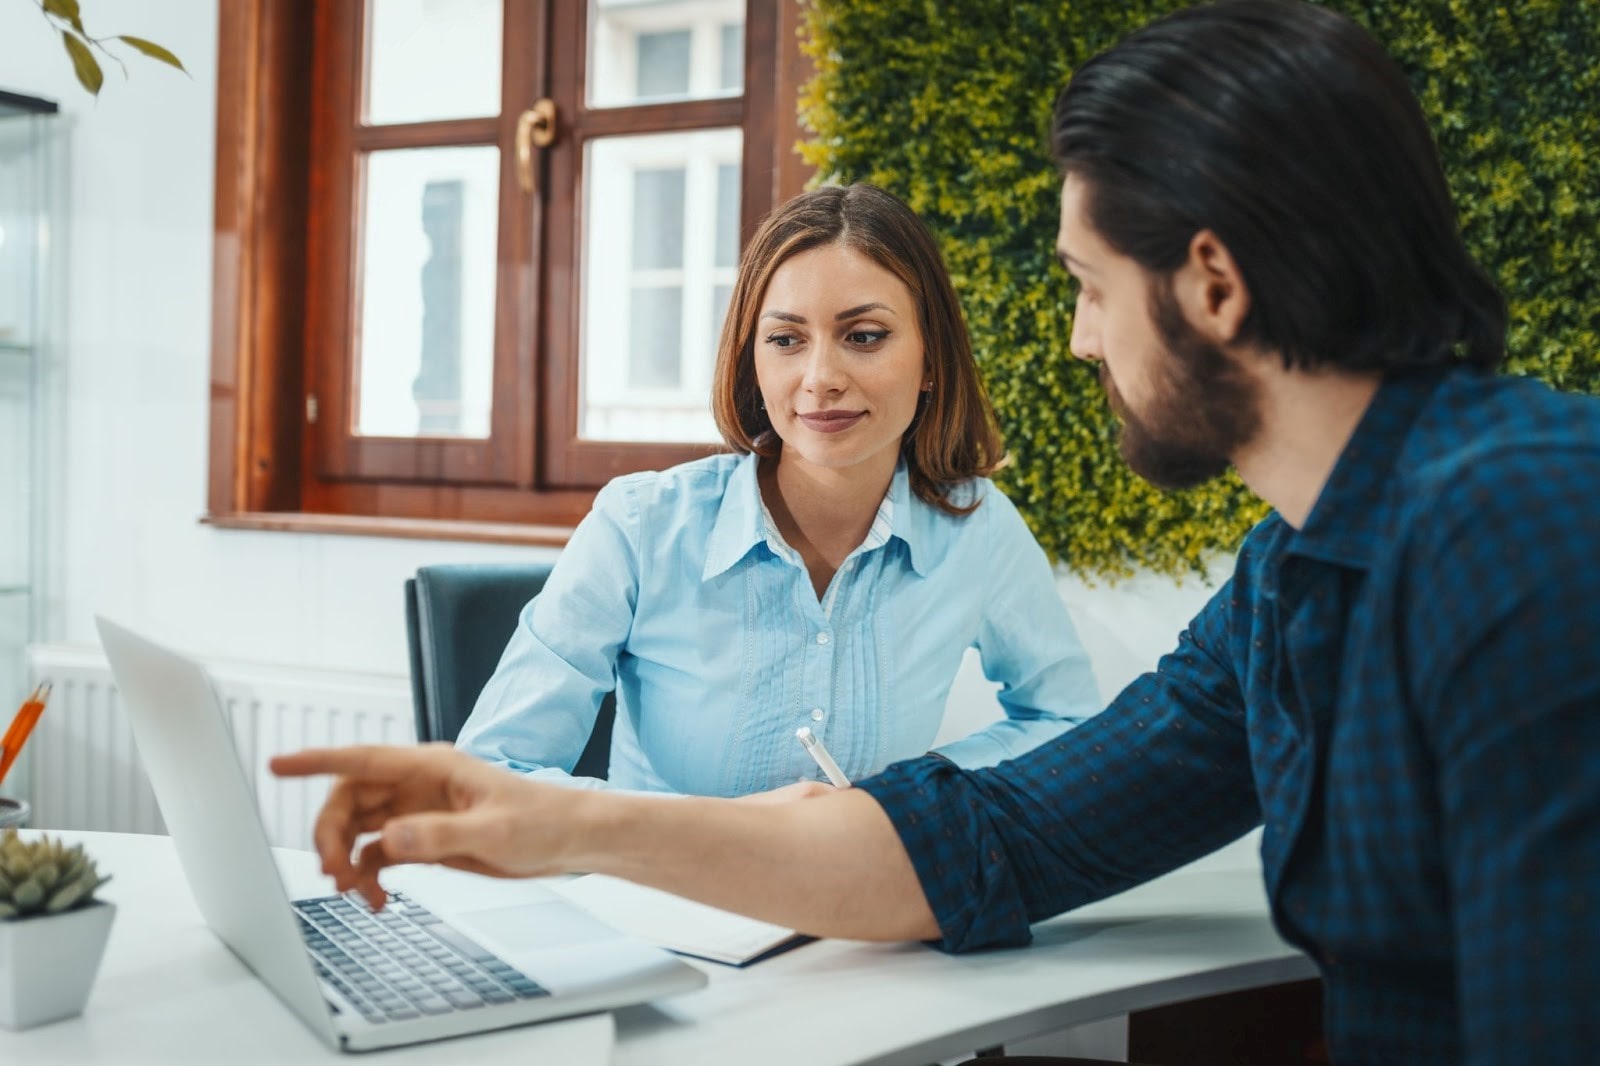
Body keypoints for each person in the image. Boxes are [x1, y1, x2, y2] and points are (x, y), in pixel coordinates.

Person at [273, 1, 1600, 1061]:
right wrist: (561, 820)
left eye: (1087, 286)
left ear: (1213, 282)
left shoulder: (1526, 531)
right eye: (788, 339)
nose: (1079, 337)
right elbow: (985, 840)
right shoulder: (1287, 585)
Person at [454, 183, 1101, 794]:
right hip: (658, 905)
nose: (820, 377)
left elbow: (1068, 723)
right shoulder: (639, 526)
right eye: (786, 340)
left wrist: (920, 795)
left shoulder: (977, 528)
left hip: (860, 909)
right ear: (752, 360)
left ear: (932, 358)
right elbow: (492, 770)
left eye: (865, 337)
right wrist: (722, 834)